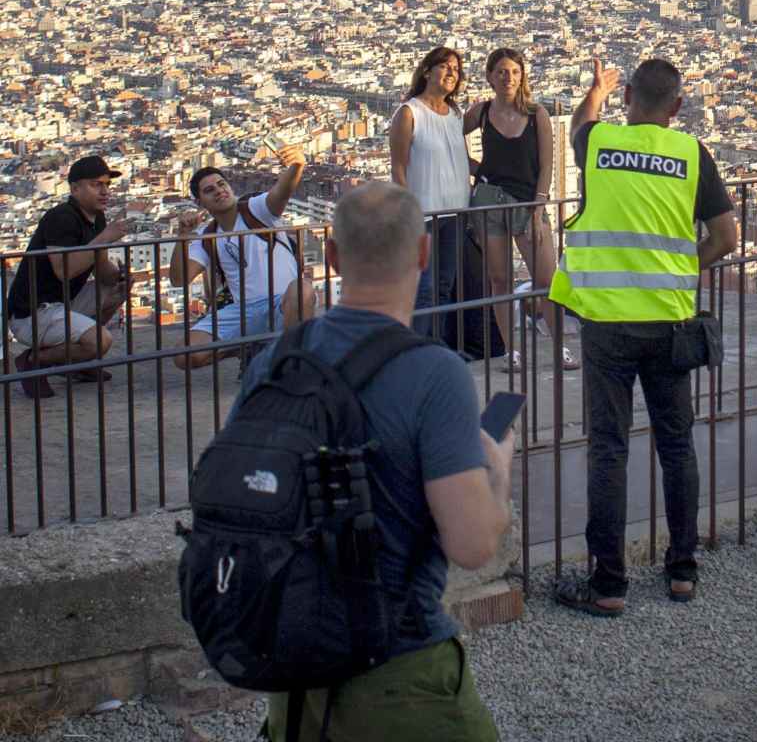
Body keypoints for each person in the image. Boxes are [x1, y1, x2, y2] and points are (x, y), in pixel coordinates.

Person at [239, 182, 512, 741]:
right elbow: (473, 546)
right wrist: (498, 469)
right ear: (423, 253)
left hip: (293, 667)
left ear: (332, 257)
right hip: (396, 664)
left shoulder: (275, 358)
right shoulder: (435, 374)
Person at [548, 58, 738, 616]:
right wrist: (682, 269)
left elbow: (582, 121)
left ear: (628, 96)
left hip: (606, 323)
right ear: (677, 108)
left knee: (609, 450)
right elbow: (725, 237)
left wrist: (596, 91)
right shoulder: (691, 154)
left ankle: (608, 584)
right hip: (669, 322)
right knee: (676, 445)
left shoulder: (600, 143)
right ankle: (682, 572)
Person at [463, 47, 580, 372]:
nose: (508, 78)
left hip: (528, 204)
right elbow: (453, 142)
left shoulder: (536, 114)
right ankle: (511, 352)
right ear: (490, 76)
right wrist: (474, 169)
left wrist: (539, 205)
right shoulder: (480, 113)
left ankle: (560, 348)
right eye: (501, 71)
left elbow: (547, 164)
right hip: (489, 201)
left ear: (522, 75)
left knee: (546, 280)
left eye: (514, 72)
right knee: (499, 279)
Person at [167, 145, 318, 369]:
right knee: (185, 355)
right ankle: (251, 347)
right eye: (209, 190)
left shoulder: (255, 210)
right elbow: (179, 279)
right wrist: (182, 238)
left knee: (302, 289)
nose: (219, 191)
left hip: (282, 303)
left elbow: (281, 193)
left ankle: (291, 363)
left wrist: (297, 166)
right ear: (200, 203)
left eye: (221, 184)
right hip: (243, 310)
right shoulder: (207, 236)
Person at [6, 156, 132, 399]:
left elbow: (103, 274)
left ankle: (78, 360)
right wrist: (104, 238)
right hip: (32, 312)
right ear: (75, 189)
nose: (105, 191)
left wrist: (119, 278)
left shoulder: (98, 219)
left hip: (62, 303)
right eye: (96, 184)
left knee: (115, 290)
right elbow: (64, 270)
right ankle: (33, 360)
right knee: (100, 342)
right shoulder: (61, 217)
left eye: (107, 184)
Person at [389, 46, 473, 338]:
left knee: (444, 286)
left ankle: (435, 348)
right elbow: (398, 167)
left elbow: (461, 158)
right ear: (427, 71)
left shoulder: (455, 114)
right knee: (423, 289)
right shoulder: (409, 113)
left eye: (456, 69)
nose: (452, 73)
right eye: (445, 66)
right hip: (423, 216)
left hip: (456, 213)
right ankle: (417, 351)